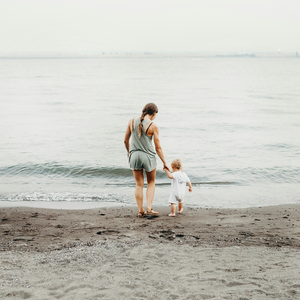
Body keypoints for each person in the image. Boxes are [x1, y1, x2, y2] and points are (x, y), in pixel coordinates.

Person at [124, 103, 169, 217]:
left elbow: (125, 141)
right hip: (148, 156)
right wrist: (165, 163)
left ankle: (140, 210)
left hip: (134, 156)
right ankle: (149, 207)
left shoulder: (132, 122)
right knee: (151, 182)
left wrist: (130, 153)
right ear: (153, 114)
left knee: (139, 184)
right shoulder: (153, 125)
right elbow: (158, 148)